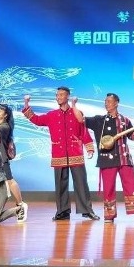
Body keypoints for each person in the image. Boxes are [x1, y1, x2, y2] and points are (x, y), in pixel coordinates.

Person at [22, 87, 99, 221]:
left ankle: (87, 210)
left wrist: (89, 148)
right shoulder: (52, 115)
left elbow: (83, 131)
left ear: (67, 96)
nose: (58, 97)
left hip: (75, 153)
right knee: (60, 184)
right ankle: (62, 211)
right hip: (59, 153)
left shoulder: (76, 113)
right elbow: (36, 120)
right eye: (57, 95)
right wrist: (26, 104)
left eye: (61, 95)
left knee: (81, 183)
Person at [84, 93, 134, 222]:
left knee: (131, 184)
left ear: (116, 103)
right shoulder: (99, 120)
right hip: (107, 159)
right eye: (105, 101)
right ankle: (109, 215)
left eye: (109, 101)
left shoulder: (125, 120)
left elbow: (132, 137)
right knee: (108, 187)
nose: (106, 104)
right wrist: (74, 105)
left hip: (124, 157)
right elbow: (81, 119)